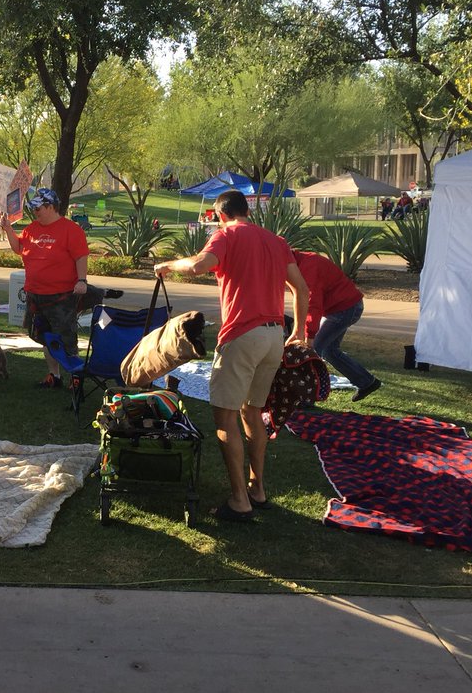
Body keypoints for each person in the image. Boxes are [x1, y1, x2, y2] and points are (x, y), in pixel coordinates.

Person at [154, 190, 309, 521]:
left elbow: (198, 266)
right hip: (274, 336)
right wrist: (299, 331)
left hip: (242, 336)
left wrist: (168, 265)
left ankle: (240, 501)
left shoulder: (226, 235)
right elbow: (301, 287)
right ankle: (257, 489)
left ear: (221, 215)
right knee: (252, 412)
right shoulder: (276, 241)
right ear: (246, 211)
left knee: (225, 418)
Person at [0, 187, 90, 388]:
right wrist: (8, 229)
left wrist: (82, 280)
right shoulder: (31, 229)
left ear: (51, 206)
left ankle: (75, 378)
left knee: (66, 337)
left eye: (38, 208)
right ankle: (54, 375)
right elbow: (19, 248)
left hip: (61, 295)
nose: (35, 211)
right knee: (44, 336)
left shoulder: (71, 229)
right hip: (35, 294)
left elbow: (81, 256)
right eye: (33, 208)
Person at [293, 250, 382, 402]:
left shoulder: (308, 267)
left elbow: (312, 304)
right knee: (329, 350)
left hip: (345, 308)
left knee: (314, 350)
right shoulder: (298, 263)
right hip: (342, 307)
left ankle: (308, 396)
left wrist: (309, 335)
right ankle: (367, 382)